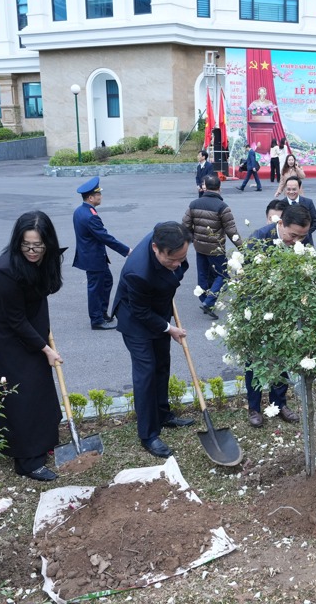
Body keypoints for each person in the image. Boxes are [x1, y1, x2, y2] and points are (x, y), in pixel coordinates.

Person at [0, 211, 65, 482]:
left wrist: (43, 336)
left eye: (38, 245)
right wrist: (46, 349)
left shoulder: (48, 257)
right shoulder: (5, 269)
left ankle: (42, 443)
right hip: (4, 335)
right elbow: (15, 319)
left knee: (39, 387)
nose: (31, 250)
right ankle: (26, 460)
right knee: (20, 395)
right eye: (26, 245)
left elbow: (45, 292)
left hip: (32, 326)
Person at [113, 222, 196, 459]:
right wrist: (169, 328)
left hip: (159, 309)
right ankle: (148, 434)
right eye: (172, 260)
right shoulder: (137, 272)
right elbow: (140, 312)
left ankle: (163, 414)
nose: (178, 264)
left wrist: (173, 268)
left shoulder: (172, 236)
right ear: (156, 248)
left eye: (182, 258)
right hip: (135, 319)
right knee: (146, 372)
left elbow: (176, 271)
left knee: (162, 364)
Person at [244, 205, 311, 427]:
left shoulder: (302, 242)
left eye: (302, 236)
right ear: (280, 223)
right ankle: (254, 408)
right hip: (257, 309)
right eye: (293, 235)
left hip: (285, 311)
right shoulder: (259, 240)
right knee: (254, 360)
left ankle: (279, 403)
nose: (296, 241)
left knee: (281, 356)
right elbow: (246, 279)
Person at [72, 177, 131, 331]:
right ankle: (96, 320)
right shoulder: (90, 216)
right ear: (91, 198)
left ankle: (102, 312)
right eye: (98, 194)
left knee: (106, 281)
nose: (101, 196)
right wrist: (126, 251)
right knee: (95, 288)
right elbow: (105, 237)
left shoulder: (81, 210)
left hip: (91, 255)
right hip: (93, 258)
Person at [182, 174, 243, 321]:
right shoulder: (223, 207)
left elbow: (185, 225)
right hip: (215, 248)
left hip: (199, 246)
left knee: (203, 274)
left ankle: (204, 299)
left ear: (205, 187)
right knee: (223, 275)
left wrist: (190, 240)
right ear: (219, 188)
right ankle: (208, 302)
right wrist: (242, 248)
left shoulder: (193, 204)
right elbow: (231, 231)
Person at [280, 175, 316, 244]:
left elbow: (315, 221)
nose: (291, 192)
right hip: (287, 242)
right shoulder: (280, 204)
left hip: (305, 242)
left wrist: (303, 234)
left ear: (299, 188)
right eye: (288, 189)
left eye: (294, 189)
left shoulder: (308, 202)